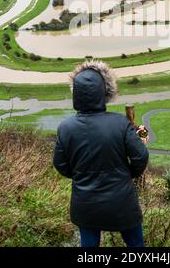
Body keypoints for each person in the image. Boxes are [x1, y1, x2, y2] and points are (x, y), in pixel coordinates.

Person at [53, 60, 149, 247]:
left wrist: (80, 176)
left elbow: (60, 164)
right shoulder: (120, 123)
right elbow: (141, 156)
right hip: (123, 202)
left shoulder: (65, 128)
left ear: (76, 94)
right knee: (137, 247)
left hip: (85, 204)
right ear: (105, 92)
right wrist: (127, 175)